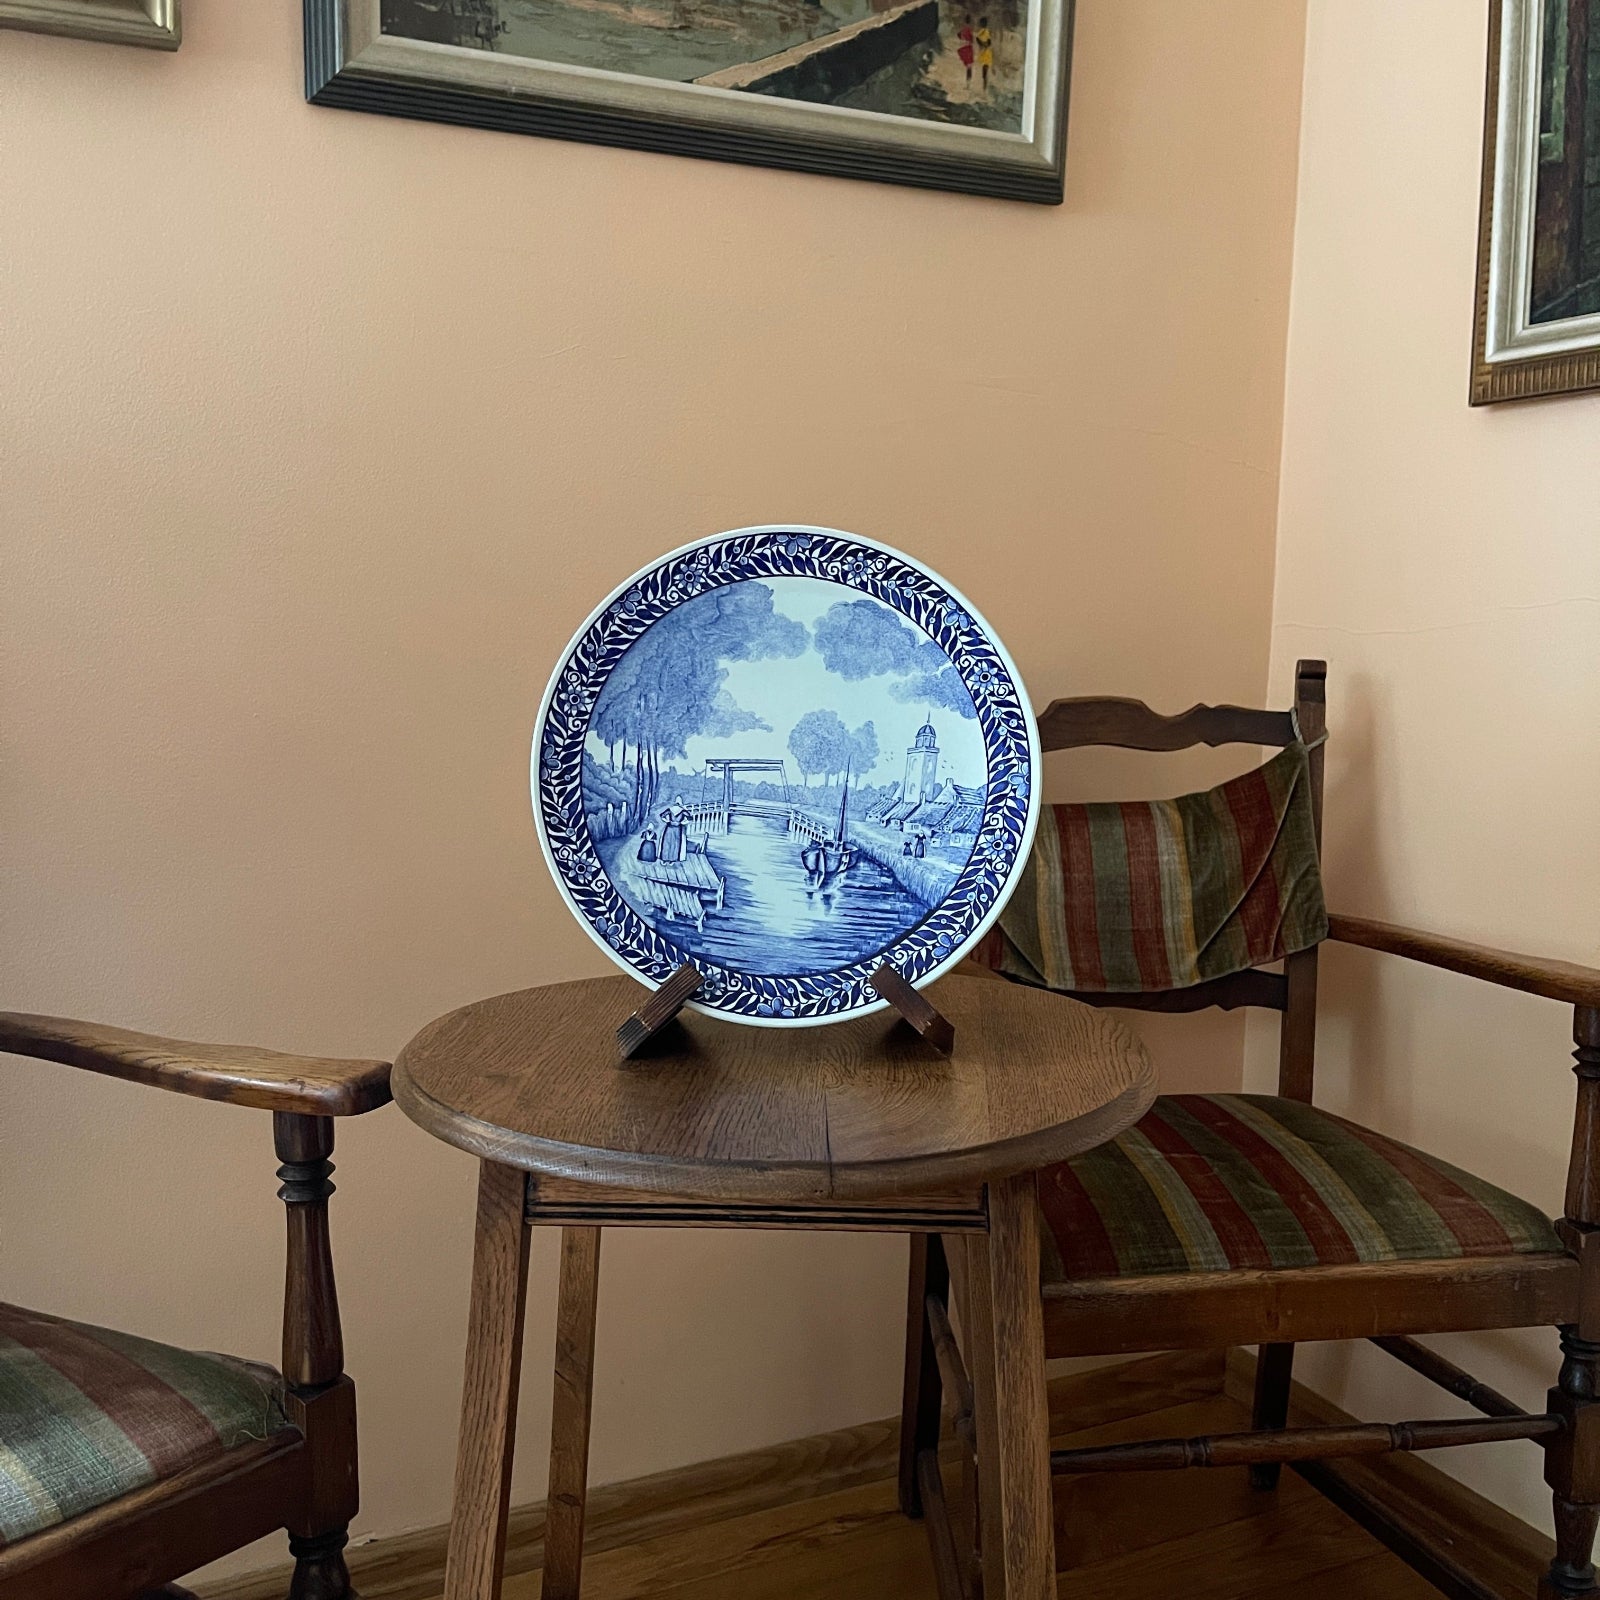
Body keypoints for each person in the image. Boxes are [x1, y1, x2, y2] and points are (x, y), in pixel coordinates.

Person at [976, 17, 992, 91]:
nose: (981, 24)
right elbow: (978, 40)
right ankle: (984, 88)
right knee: (984, 73)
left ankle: (984, 89)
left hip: (986, 53)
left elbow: (989, 43)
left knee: (985, 72)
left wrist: (983, 44)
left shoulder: (986, 31)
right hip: (983, 53)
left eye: (982, 23)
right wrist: (981, 43)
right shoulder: (981, 32)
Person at [956, 19, 975, 85]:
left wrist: (963, 41)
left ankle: (968, 83)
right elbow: (972, 41)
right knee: (969, 68)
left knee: (968, 67)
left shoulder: (963, 30)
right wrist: (968, 42)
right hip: (969, 50)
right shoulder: (969, 30)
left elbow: (958, 34)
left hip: (965, 49)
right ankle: (968, 83)